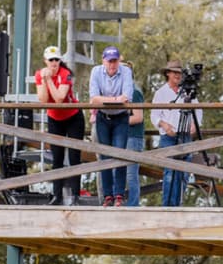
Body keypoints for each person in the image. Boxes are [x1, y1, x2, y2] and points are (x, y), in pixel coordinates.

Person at [36, 45, 84, 206]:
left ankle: (76, 196)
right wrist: (43, 79)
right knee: (57, 158)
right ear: (45, 61)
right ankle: (57, 195)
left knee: (74, 157)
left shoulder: (66, 74)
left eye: (57, 59)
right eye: (51, 60)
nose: (54, 63)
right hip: (54, 119)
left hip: (73, 117)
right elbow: (43, 100)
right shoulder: (39, 74)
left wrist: (49, 79)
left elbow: (59, 99)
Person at [150, 59, 202, 207]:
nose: (177, 76)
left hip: (185, 135)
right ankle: (167, 206)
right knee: (169, 174)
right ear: (168, 74)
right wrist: (165, 125)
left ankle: (178, 205)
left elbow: (198, 110)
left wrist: (194, 124)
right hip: (168, 136)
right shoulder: (161, 93)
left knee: (184, 173)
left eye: (179, 73)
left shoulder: (187, 92)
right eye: (174, 73)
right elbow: (154, 115)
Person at [88, 45, 133, 207]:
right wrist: (116, 100)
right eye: (109, 61)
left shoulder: (126, 71)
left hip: (120, 118)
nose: (112, 65)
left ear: (118, 61)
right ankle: (108, 195)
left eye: (114, 61)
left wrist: (105, 100)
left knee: (119, 154)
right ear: (103, 61)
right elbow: (93, 98)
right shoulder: (96, 71)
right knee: (104, 156)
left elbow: (127, 96)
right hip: (102, 118)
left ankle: (119, 195)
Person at [123, 60, 145, 206]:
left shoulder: (135, 92)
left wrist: (117, 121)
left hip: (132, 136)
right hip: (121, 136)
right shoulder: (119, 92)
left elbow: (138, 117)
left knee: (131, 174)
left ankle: (133, 205)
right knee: (118, 172)